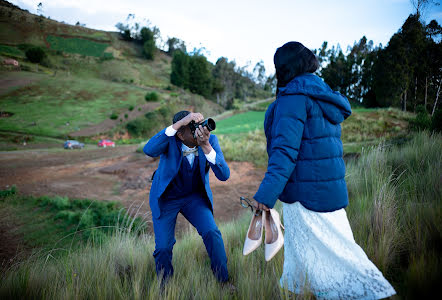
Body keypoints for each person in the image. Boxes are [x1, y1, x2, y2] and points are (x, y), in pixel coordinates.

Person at [252, 42, 396, 299]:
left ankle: (378, 294)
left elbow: (284, 153)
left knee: (339, 265)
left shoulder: (293, 99)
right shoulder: (321, 95)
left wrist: (264, 196)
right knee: (332, 257)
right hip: (329, 194)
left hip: (305, 198)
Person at [143, 111, 230, 284]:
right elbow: (149, 150)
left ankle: (223, 281)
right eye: (193, 128)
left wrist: (205, 146)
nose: (200, 131)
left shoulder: (210, 141)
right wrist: (179, 124)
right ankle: (165, 288)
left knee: (212, 232)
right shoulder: (170, 140)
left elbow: (224, 175)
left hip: (194, 197)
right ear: (180, 135)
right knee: (163, 247)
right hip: (167, 198)